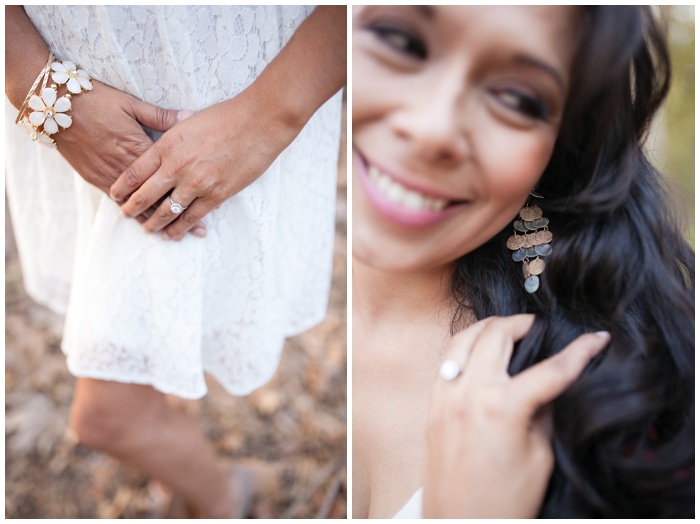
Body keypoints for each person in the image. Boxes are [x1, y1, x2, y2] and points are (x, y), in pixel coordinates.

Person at [352, 5, 693, 519]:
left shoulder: (599, 405)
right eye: (400, 41)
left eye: (517, 99)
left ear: (558, 146)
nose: (432, 129)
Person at [6, 5, 345, 518]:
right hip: (73, 100)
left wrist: (269, 114)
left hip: (227, 116)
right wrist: (35, 82)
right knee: (150, 354)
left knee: (105, 417)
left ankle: (228, 498)